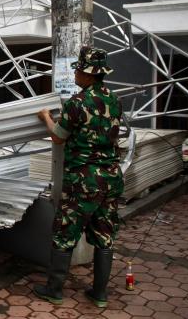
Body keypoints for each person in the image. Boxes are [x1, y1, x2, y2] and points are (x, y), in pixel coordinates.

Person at [34, 46, 124, 308]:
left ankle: (53, 290)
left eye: (78, 71)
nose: (75, 75)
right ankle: (100, 294)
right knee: (104, 234)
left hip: (84, 180)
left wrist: (46, 118)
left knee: (65, 232)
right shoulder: (115, 100)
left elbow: (58, 137)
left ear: (88, 74)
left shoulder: (77, 103)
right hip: (110, 177)